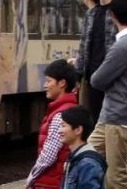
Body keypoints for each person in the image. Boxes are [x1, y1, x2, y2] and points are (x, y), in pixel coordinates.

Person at [89, 0, 127, 189]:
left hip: (118, 117)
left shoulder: (123, 46)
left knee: (116, 176)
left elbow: (97, 79)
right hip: (112, 116)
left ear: (112, 15)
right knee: (86, 153)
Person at [74, 0, 121, 122]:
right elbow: (83, 45)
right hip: (92, 78)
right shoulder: (91, 13)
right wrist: (78, 73)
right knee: (93, 122)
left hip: (112, 79)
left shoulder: (119, 12)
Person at [26, 59, 80, 189]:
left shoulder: (60, 115)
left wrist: (31, 178)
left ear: (62, 83)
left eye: (49, 81)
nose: (45, 85)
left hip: (50, 182)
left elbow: (48, 156)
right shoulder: (70, 108)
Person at [60, 106, 107, 189]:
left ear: (78, 130)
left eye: (63, 126)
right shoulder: (76, 157)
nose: (59, 131)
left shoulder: (88, 163)